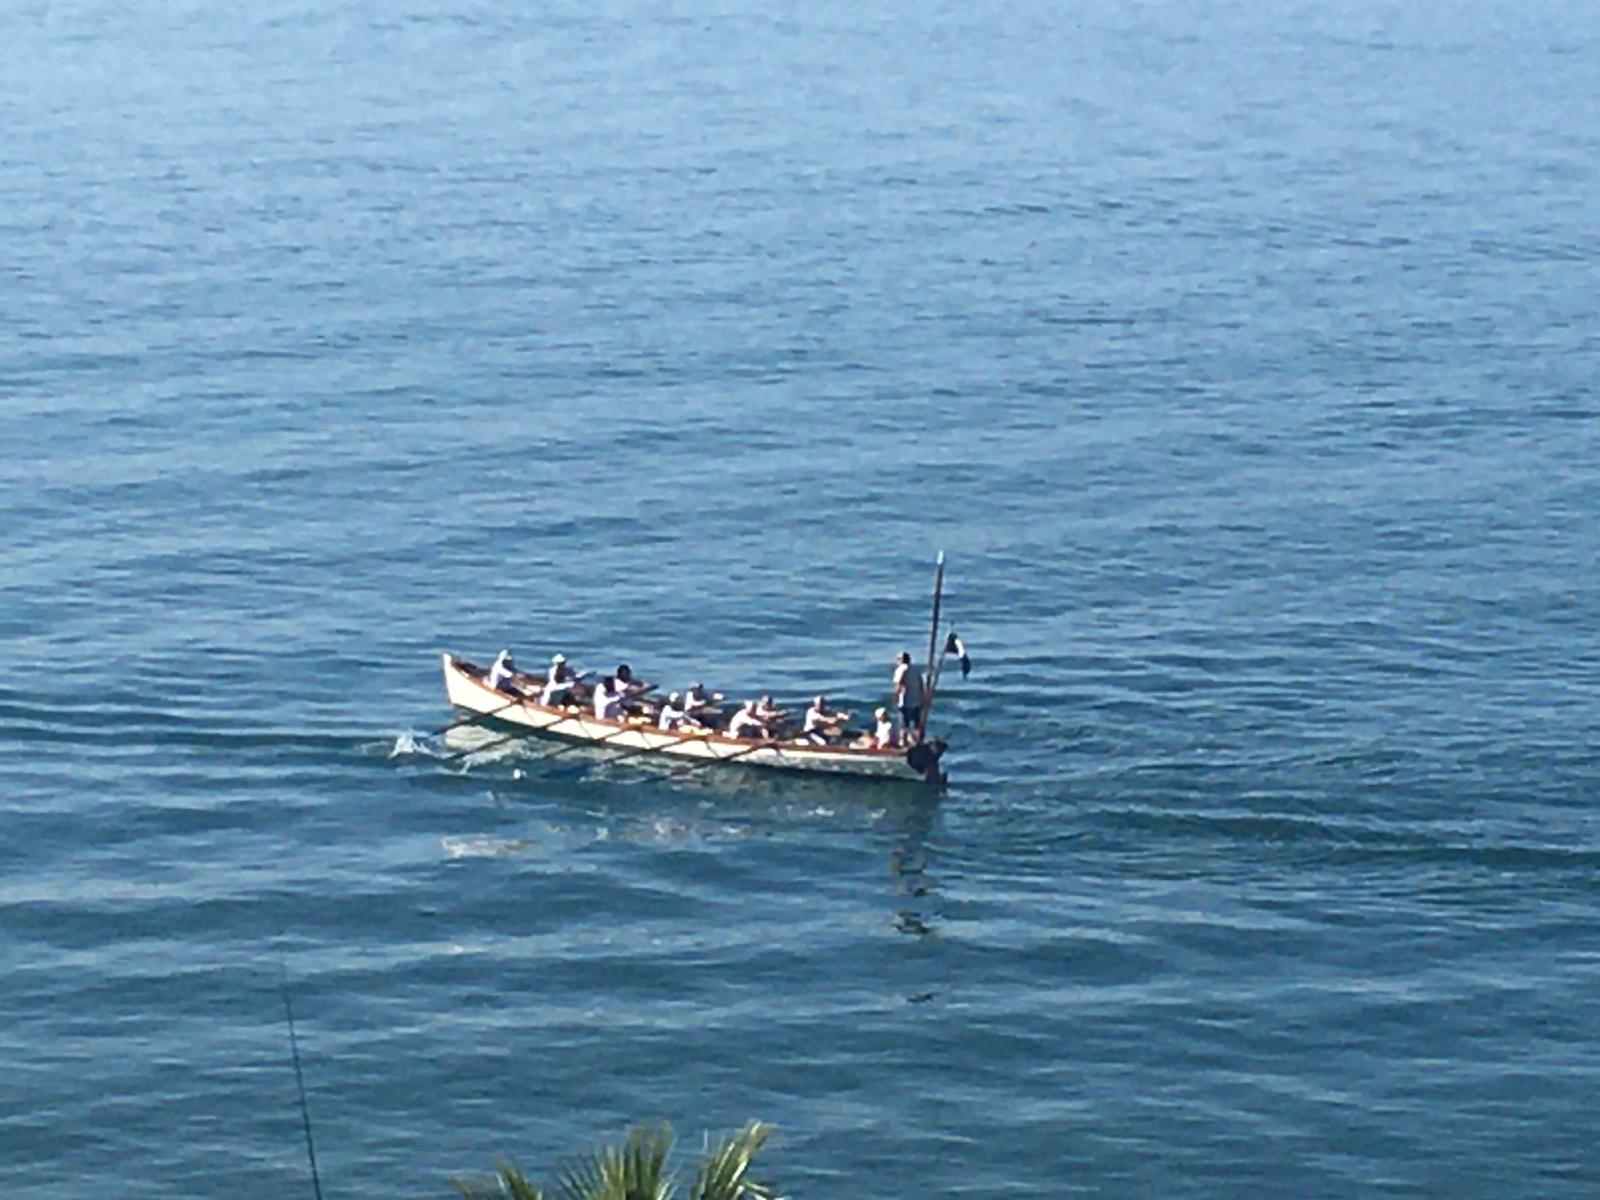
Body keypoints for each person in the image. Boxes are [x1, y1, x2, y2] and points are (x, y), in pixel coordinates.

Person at [893, 650, 925, 742]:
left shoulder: (901, 669)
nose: (896, 661)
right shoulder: (915, 670)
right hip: (917, 700)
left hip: (905, 701)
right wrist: (922, 699)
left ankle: (903, 742)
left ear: (901, 660)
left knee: (904, 725)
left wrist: (895, 698)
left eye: (897, 659)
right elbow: (921, 685)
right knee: (916, 724)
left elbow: (898, 684)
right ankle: (918, 742)